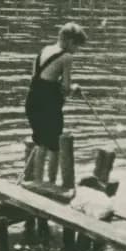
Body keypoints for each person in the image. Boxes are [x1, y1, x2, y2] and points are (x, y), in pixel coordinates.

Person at [25, 21, 86, 183]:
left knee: (40, 144)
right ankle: (51, 183)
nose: (77, 51)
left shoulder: (45, 50)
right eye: (77, 46)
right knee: (54, 147)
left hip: (32, 101)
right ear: (71, 42)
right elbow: (65, 88)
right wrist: (75, 88)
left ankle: (37, 182)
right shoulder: (67, 57)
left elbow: (41, 80)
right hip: (48, 105)